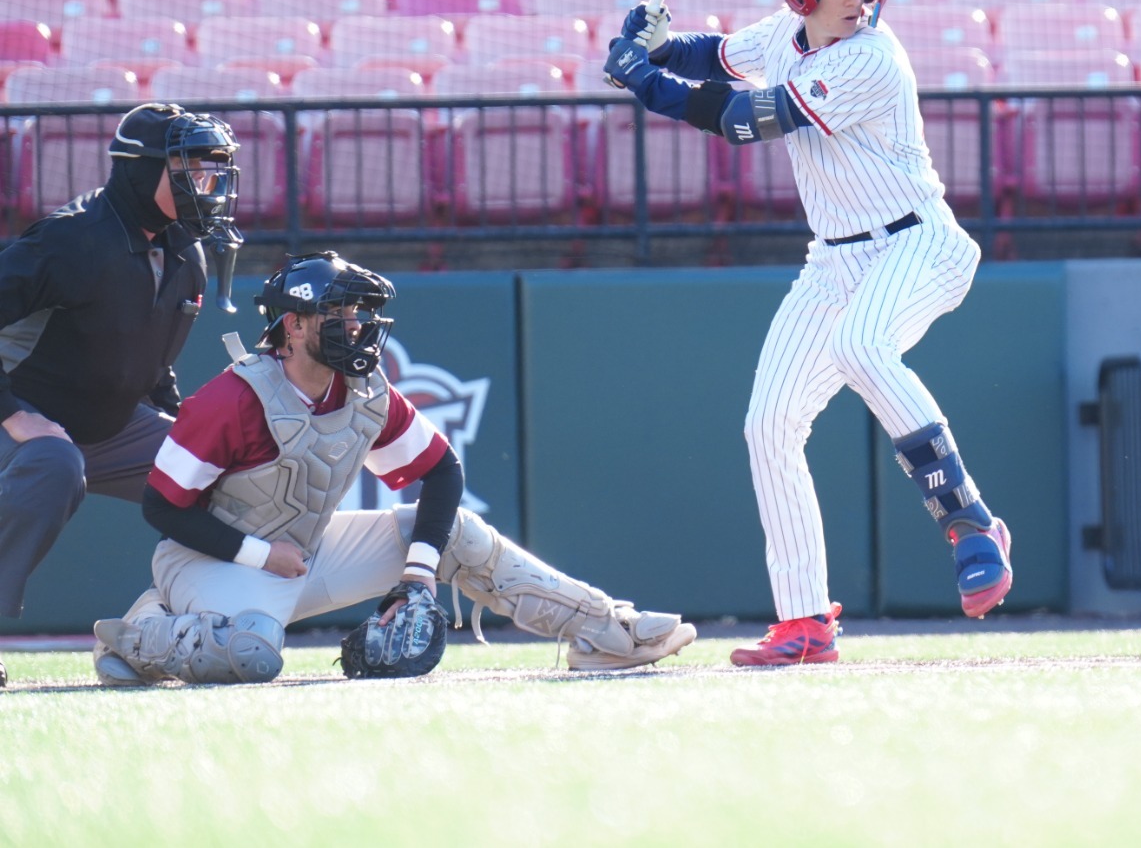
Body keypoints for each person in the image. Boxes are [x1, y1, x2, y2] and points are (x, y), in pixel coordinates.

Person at [603, 0, 1013, 667]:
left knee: (862, 346)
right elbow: (720, 56)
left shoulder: (870, 58)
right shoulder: (784, 35)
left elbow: (743, 118)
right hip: (834, 260)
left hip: (918, 241)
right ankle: (803, 621)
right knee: (769, 423)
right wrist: (658, 41)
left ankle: (970, 520)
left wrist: (644, 80)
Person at [93, 251, 696, 685]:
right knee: (255, 655)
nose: (356, 326)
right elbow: (161, 507)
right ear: (293, 325)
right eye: (339, 313)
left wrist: (418, 571)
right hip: (212, 562)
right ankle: (144, 630)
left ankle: (604, 630)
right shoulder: (230, 398)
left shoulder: (364, 389)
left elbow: (442, 472)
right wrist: (258, 555)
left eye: (358, 312)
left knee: (454, 531)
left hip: (302, 552)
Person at [0, 103, 242, 623]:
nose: (205, 184)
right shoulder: (70, 239)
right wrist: (14, 415)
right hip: (24, 417)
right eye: (189, 170)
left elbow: (150, 360)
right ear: (141, 169)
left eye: (210, 170)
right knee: (53, 462)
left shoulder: (187, 251)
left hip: (105, 425)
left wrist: (185, 431)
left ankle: (213, 619)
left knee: (224, 474)